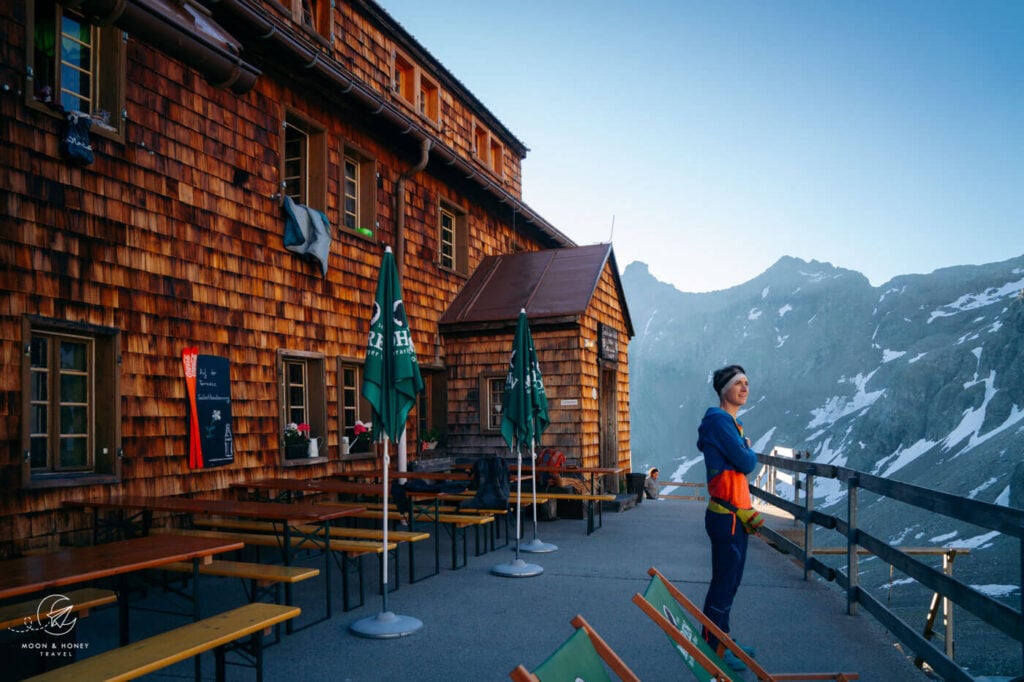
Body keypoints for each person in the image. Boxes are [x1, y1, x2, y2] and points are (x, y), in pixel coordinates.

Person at [696, 364, 766, 671]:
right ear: (724, 389)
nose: (745, 388)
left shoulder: (730, 424)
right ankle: (713, 648)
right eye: (738, 383)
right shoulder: (720, 422)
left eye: (747, 383)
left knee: (731, 582)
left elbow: (741, 459)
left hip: (736, 516)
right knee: (724, 583)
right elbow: (745, 461)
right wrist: (747, 451)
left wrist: (744, 450)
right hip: (727, 518)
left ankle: (722, 639)